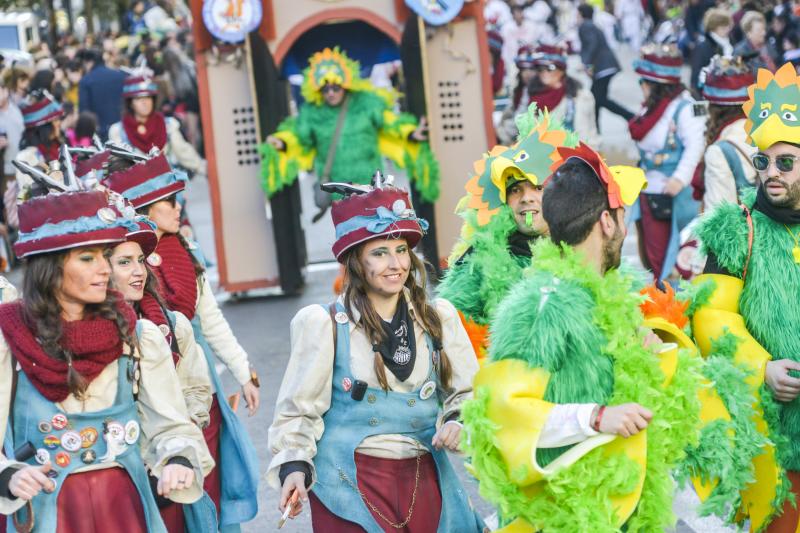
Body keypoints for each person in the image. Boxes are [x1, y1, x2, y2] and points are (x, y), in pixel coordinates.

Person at [460, 145, 702, 532]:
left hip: (618, 509)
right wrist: (596, 417)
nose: (625, 229)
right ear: (607, 221)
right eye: (624, 217)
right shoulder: (543, 303)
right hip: (565, 516)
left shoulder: (602, 295)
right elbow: (502, 412)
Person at [268, 180, 484, 532]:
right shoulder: (323, 324)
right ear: (356, 261)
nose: (395, 264)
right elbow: (297, 412)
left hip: (423, 478)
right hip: (347, 485)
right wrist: (294, 466)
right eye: (379, 253)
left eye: (401, 250)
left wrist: (458, 420)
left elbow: (468, 393)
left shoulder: (438, 317)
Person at [0, 186, 213, 532]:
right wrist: (9, 474)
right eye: (88, 258)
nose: (104, 269)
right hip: (50, 515)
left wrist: (176, 458)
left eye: (104, 255)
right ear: (50, 267)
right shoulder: (9, 339)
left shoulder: (137, 336)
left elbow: (171, 425)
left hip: (126, 507)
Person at [102, 151, 260, 529]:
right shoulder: (108, 274)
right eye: (169, 201)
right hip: (140, 410)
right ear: (144, 208)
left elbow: (210, 319)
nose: (179, 208)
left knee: (208, 491)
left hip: (195, 381)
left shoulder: (187, 250)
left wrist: (243, 370)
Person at [693, 61, 800, 532]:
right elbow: (711, 316)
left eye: (785, 162)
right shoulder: (738, 229)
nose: (770, 172)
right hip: (771, 438)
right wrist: (763, 368)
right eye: (763, 161)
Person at [439, 106, 574, 363]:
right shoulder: (480, 258)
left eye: (537, 187)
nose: (526, 198)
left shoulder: (583, 248)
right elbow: (448, 326)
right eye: (515, 190)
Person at [262, 47, 436, 212]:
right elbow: (298, 136)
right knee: (350, 237)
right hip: (340, 194)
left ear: (345, 84)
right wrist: (282, 142)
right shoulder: (312, 114)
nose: (330, 93)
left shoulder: (366, 104)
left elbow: (392, 123)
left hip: (372, 188)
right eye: (325, 88)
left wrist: (411, 133)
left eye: (335, 87)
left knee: (377, 233)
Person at [628, 44, 706, 282]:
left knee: (675, 257)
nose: (641, 86)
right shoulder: (650, 108)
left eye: (645, 82)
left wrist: (679, 178)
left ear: (657, 85)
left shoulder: (685, 107)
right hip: (649, 189)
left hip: (676, 195)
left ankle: (673, 306)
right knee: (653, 255)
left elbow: (696, 146)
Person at [693, 55, 757, 211]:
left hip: (742, 233)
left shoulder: (719, 151)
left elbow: (717, 219)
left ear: (713, 108)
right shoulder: (770, 132)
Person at [108, 75, 205, 176]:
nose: (144, 102)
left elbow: (184, 153)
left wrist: (205, 168)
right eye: (138, 99)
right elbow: (117, 169)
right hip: (135, 188)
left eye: (148, 97)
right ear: (131, 103)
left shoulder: (168, 125)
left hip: (165, 186)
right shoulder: (118, 131)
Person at [576, 3, 634, 127]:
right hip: (605, 66)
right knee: (596, 98)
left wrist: (585, 64)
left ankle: (630, 116)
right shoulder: (591, 24)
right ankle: (595, 128)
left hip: (604, 67)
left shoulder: (585, 26)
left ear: (580, 14)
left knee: (599, 99)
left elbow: (592, 45)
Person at [529, 44, 599, 145]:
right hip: (541, 156)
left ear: (561, 70)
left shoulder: (580, 96)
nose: (544, 73)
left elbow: (588, 133)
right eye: (540, 69)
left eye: (549, 68)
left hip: (573, 156)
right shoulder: (532, 94)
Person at [78, 48, 127, 139]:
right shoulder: (120, 76)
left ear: (89, 62)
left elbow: (84, 111)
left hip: (100, 132)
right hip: (123, 128)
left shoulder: (85, 80)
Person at [689, 8, 734, 97]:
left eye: (728, 26)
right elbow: (696, 77)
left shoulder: (730, 43)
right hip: (710, 94)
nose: (727, 30)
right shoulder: (703, 46)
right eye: (723, 27)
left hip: (730, 92)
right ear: (713, 27)